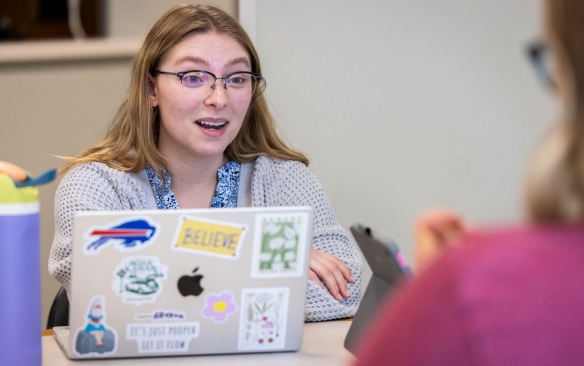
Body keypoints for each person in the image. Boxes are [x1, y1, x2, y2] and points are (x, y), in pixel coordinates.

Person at [48, 4, 361, 322]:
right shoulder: (95, 185)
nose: (219, 99)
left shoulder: (283, 179)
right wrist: (274, 265)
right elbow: (107, 301)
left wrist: (168, 281)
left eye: (236, 79)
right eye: (194, 77)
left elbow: (343, 296)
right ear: (151, 88)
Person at [354, 0, 584, 364]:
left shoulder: (479, 292)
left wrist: (442, 308)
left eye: (238, 78)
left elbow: (337, 288)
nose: (225, 98)